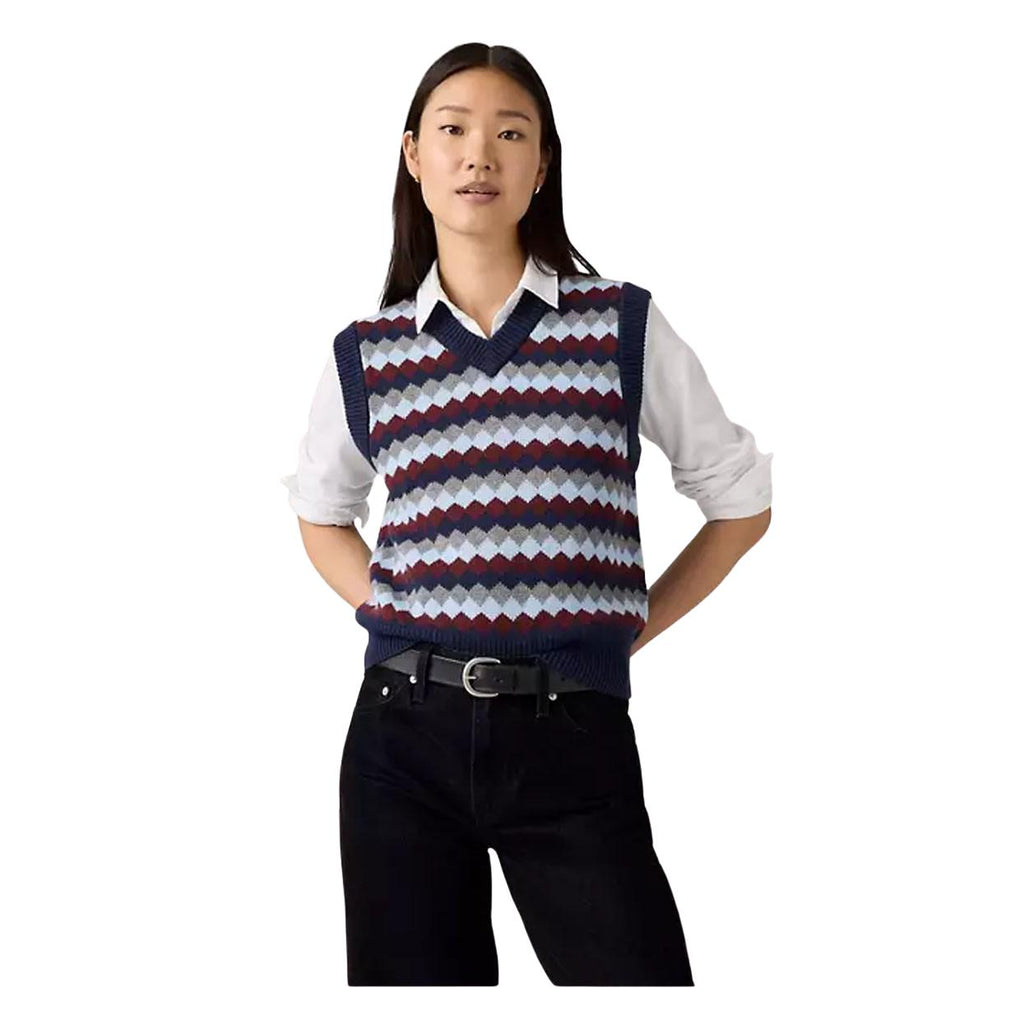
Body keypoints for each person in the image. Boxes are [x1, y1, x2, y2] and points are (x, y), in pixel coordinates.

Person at [281, 42, 772, 987]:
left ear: (542, 165)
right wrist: (391, 609)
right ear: (413, 155)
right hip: (400, 738)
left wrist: (627, 630)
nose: (480, 155)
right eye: (453, 131)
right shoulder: (368, 354)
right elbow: (321, 514)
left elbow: (740, 503)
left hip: (573, 732)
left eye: (511, 134)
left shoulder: (619, 326)